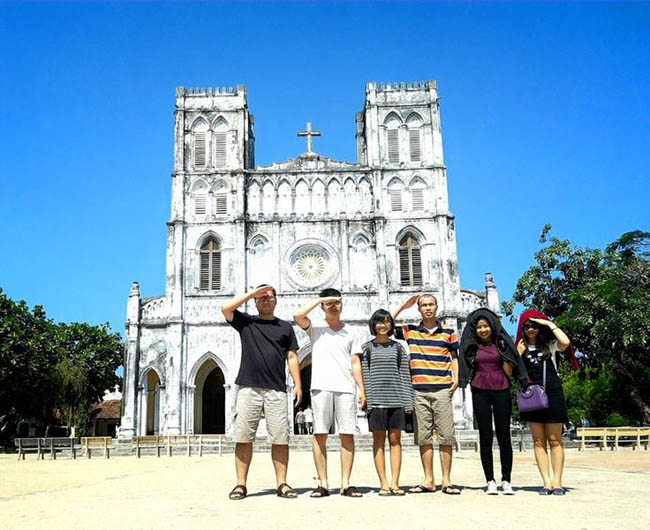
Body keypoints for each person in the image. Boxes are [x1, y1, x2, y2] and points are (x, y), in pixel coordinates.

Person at [221, 284, 302, 500]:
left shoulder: (285, 327)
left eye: (269, 297)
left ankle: (282, 483)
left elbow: (292, 356)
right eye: (261, 298)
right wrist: (250, 294)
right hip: (249, 387)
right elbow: (225, 308)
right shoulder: (247, 322)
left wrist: (298, 385)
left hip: (276, 389)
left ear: (276, 301)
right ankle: (240, 484)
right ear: (255, 301)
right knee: (244, 437)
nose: (265, 300)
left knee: (280, 438)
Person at [294, 288, 363, 498]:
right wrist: (320, 300)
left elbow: (355, 362)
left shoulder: (351, 331)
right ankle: (323, 483)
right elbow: (298, 316)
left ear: (342, 305)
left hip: (345, 388)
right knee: (320, 434)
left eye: (337, 302)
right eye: (329, 303)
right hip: (321, 387)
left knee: (347, 435)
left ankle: (346, 483)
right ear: (323, 305)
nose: (333, 306)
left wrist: (361, 389)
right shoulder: (315, 328)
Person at [392, 294, 461, 495]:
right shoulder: (411, 331)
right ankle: (429, 479)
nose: (428, 308)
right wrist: (404, 306)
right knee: (423, 437)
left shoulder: (448, 332)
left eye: (431, 305)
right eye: (424, 305)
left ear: (437, 307)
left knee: (446, 436)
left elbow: (454, 357)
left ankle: (446, 480)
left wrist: (456, 379)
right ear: (419, 309)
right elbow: (385, 324)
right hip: (419, 390)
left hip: (442, 388)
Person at [459, 307, 528, 495]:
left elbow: (510, 368)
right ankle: (490, 480)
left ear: (492, 326)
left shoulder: (502, 343)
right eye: (479, 327)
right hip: (480, 390)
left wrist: (515, 356)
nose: (483, 330)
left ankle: (506, 479)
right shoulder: (472, 347)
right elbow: (465, 365)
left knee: (504, 436)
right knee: (485, 437)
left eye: (486, 326)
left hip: (501, 388)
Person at [352, 309, 414, 496]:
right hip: (377, 400)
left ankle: (395, 483)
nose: (383, 325)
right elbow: (366, 374)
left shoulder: (398, 348)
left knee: (396, 440)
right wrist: (368, 398)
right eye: (379, 322)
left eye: (387, 322)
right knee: (378, 441)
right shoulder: (366, 348)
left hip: (396, 399)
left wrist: (408, 400)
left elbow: (404, 374)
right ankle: (384, 483)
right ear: (373, 325)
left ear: (391, 325)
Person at [515, 309, 576, 496]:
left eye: (535, 325)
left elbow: (565, 342)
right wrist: (517, 354)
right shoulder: (519, 347)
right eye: (527, 326)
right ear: (522, 329)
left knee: (555, 440)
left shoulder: (550, 345)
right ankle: (546, 482)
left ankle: (557, 482)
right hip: (531, 396)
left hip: (552, 393)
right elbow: (509, 370)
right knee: (538, 441)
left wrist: (549, 323)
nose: (531, 329)